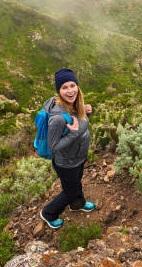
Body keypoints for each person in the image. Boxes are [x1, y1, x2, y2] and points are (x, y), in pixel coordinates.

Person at [39, 68, 95, 229]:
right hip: (66, 162)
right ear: (58, 91)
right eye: (64, 87)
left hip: (77, 157)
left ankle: (77, 204)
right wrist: (73, 134)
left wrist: (86, 112)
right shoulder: (57, 118)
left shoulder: (73, 104)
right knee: (71, 190)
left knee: (75, 184)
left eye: (72, 85)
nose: (70, 90)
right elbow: (54, 146)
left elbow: (78, 122)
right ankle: (49, 213)